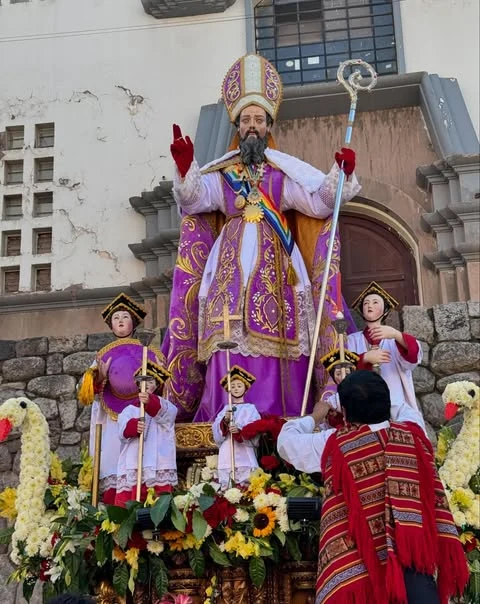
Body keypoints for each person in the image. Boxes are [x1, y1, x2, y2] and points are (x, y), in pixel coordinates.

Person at [162, 53, 361, 422]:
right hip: (228, 267)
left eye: (259, 120)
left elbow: (318, 204)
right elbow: (193, 200)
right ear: (237, 126)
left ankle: (285, 413)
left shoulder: (282, 172)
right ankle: (224, 416)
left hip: (278, 262)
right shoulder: (221, 175)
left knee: (286, 336)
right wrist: (185, 167)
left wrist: (339, 174)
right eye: (246, 120)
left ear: (269, 125)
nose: (252, 126)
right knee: (227, 335)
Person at [277, 371, 469, 604]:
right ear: (386, 402)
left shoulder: (335, 444)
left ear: (345, 412)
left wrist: (316, 416)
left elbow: (286, 443)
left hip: (358, 575)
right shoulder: (413, 434)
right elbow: (405, 409)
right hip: (415, 575)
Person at [78, 293, 162, 504]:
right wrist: (101, 377)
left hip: (143, 413)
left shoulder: (148, 352)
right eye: (116, 318)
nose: (121, 320)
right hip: (111, 417)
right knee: (113, 463)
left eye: (125, 316)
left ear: (133, 322)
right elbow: (87, 394)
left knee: (142, 463)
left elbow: (161, 384)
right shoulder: (103, 356)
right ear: (111, 326)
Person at [347, 281, 423, 418]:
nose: (369, 305)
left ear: (385, 310)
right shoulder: (351, 340)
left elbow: (413, 358)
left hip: (395, 402)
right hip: (362, 403)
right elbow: (343, 370)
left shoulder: (395, 340)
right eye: (366, 303)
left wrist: (396, 334)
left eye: (375, 302)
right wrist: (365, 358)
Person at [115, 359, 177, 506]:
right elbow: (122, 432)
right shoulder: (129, 410)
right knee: (130, 501)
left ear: (156, 386)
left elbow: (166, 415)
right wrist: (133, 427)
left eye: (151, 382)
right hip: (134, 459)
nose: (148, 385)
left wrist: (149, 402)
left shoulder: (166, 405)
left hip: (158, 461)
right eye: (144, 382)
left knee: (158, 502)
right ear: (138, 385)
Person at [212, 365, 261, 489]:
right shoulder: (224, 409)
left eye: (239, 386)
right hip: (228, 449)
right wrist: (225, 421)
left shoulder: (250, 409)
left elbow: (256, 427)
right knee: (227, 483)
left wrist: (240, 431)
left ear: (245, 388)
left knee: (247, 484)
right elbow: (216, 430)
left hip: (244, 449)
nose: (236, 389)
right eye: (232, 386)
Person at [318, 347, 360, 428]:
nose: (343, 377)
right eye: (338, 374)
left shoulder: (360, 394)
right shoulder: (331, 400)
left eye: (347, 373)